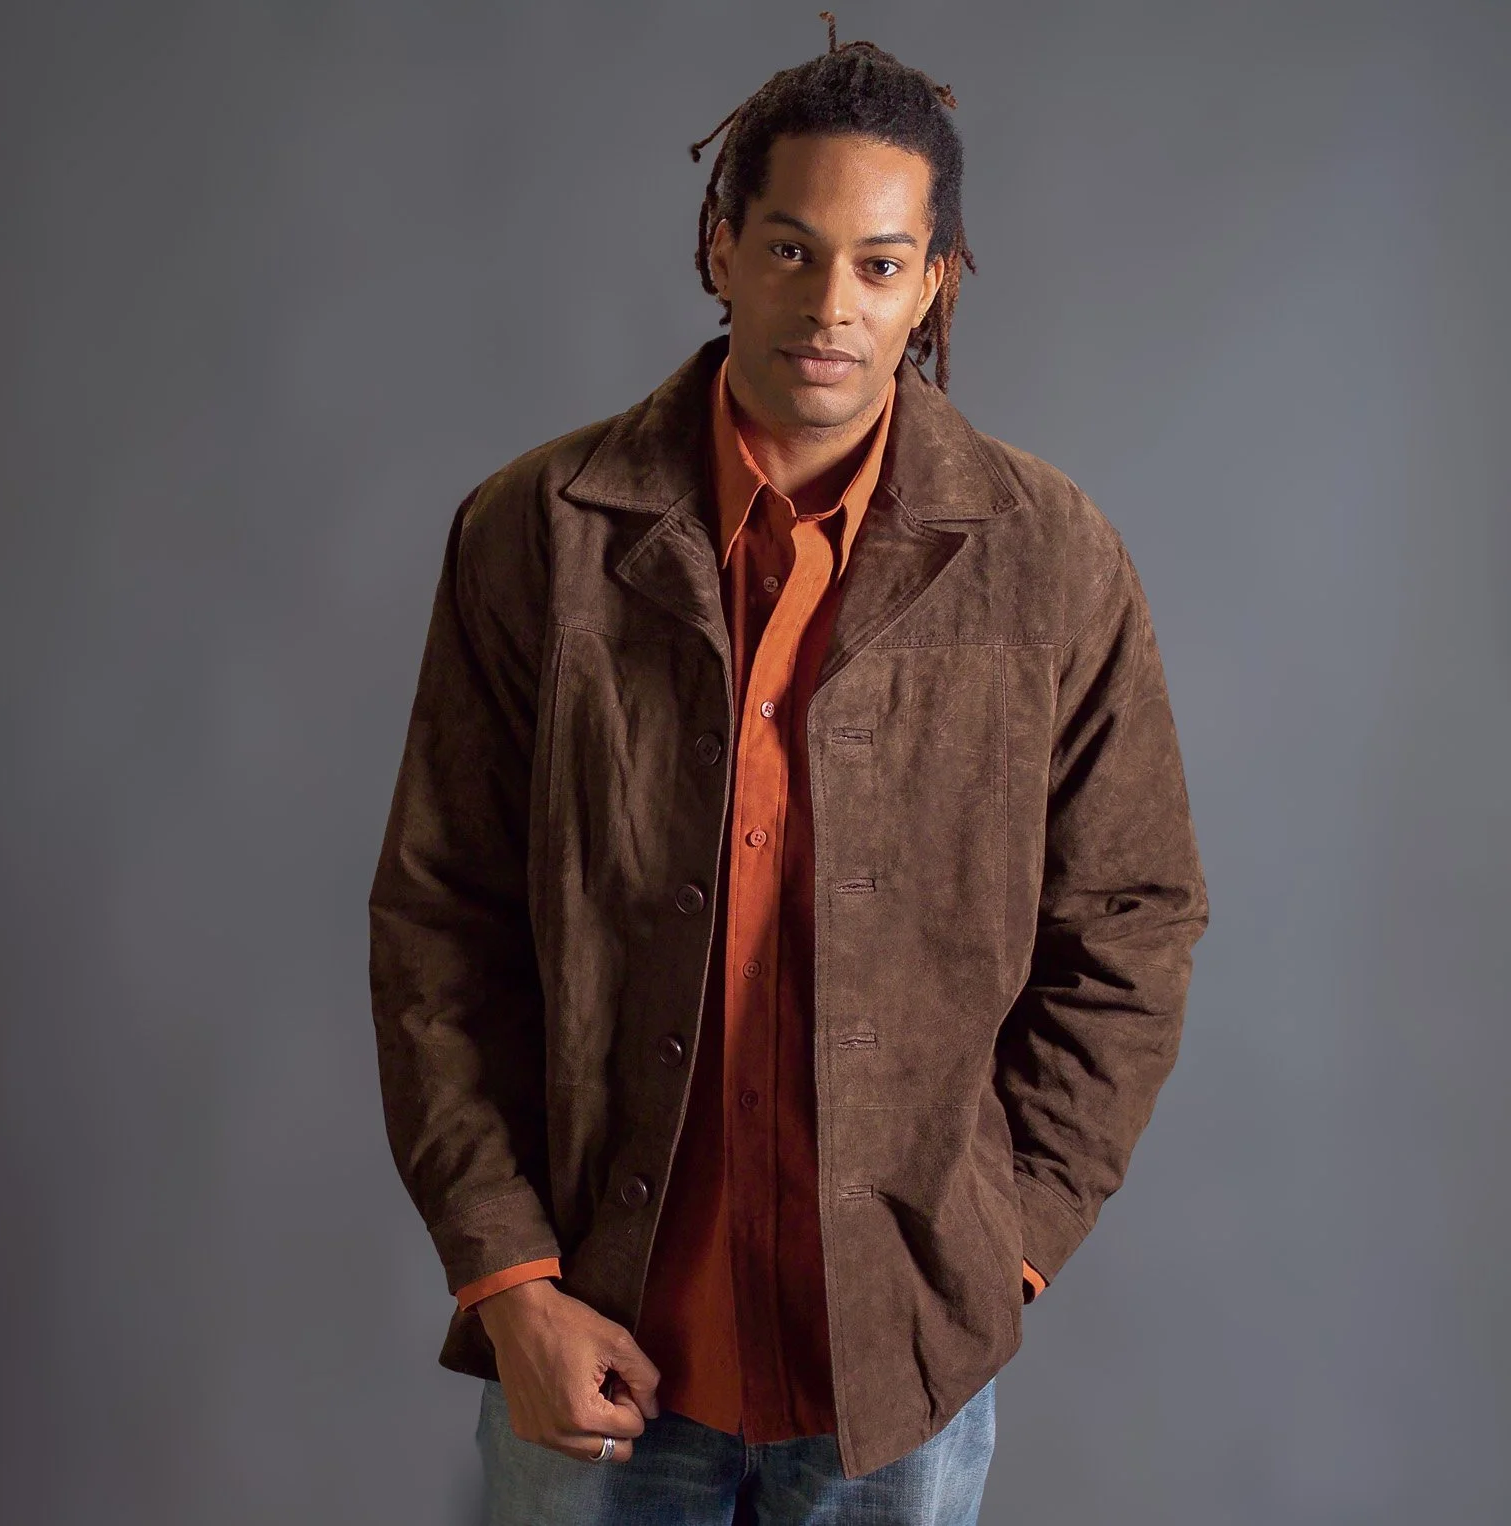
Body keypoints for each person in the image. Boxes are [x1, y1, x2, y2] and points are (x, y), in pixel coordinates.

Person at [367, 14, 1208, 1522]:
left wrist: (998, 1249)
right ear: (720, 247)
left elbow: (1134, 921)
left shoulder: (1052, 560)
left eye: (880, 264)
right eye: (791, 250)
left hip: (897, 1381)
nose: (831, 306)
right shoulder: (537, 533)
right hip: (596, 1349)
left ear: (936, 281)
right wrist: (511, 1282)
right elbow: (441, 921)